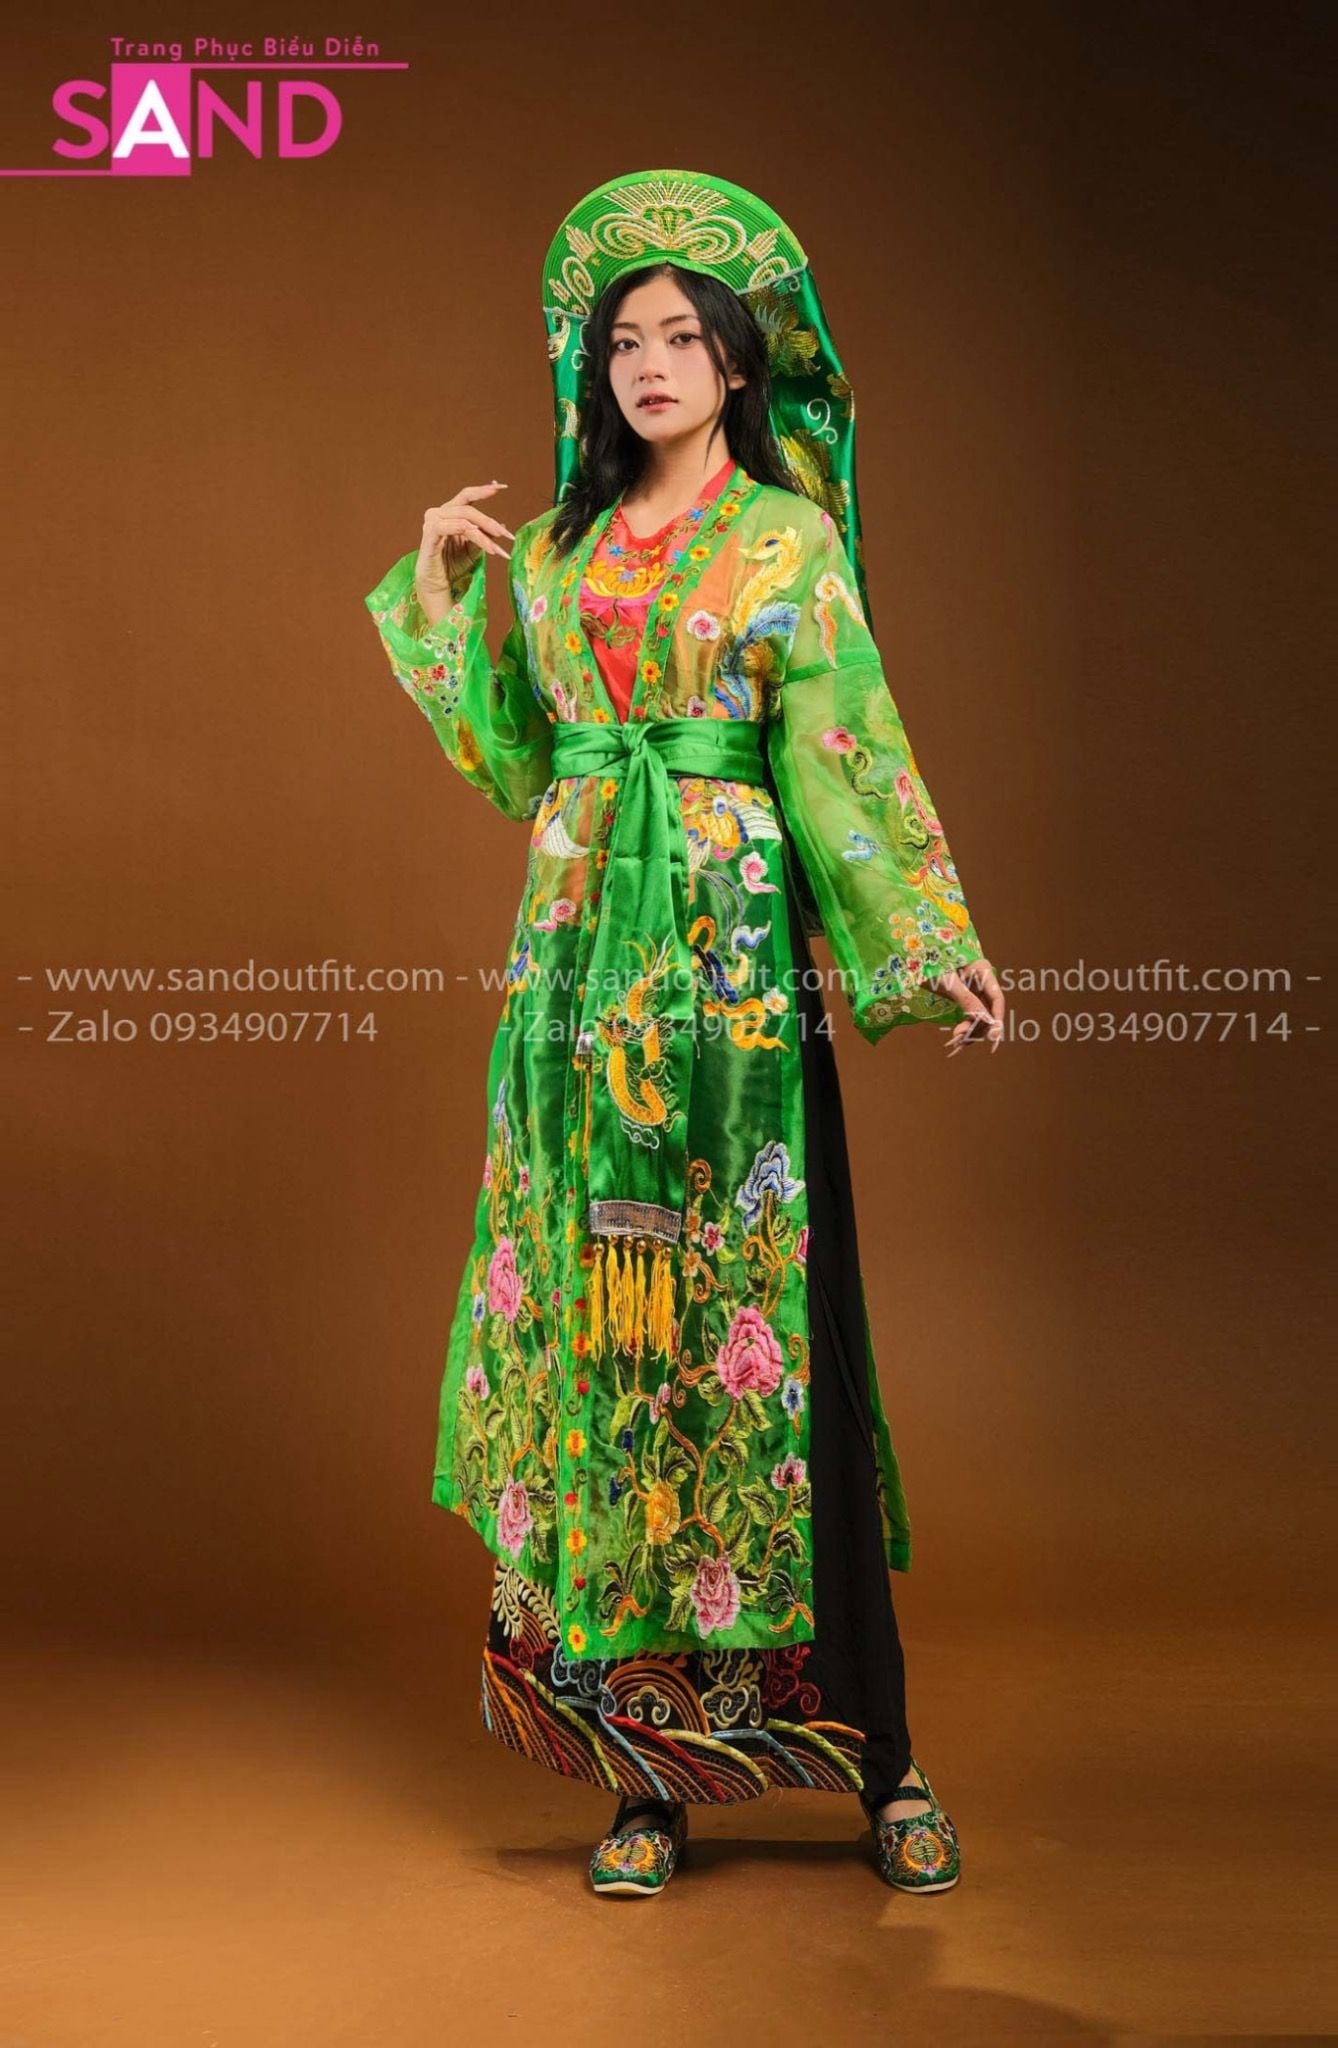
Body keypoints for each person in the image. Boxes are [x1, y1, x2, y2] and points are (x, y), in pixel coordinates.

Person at [363, 168, 1005, 1899]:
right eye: (620, 342)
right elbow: (517, 763)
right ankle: (641, 1771)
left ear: (735, 364)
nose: (646, 364)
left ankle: (879, 1759)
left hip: (728, 989)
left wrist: (924, 939)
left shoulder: (786, 542)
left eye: (677, 338)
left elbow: (843, 747)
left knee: (762, 1329)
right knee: (601, 1343)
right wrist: (439, 592)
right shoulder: (556, 551)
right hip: (577, 984)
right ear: (595, 372)